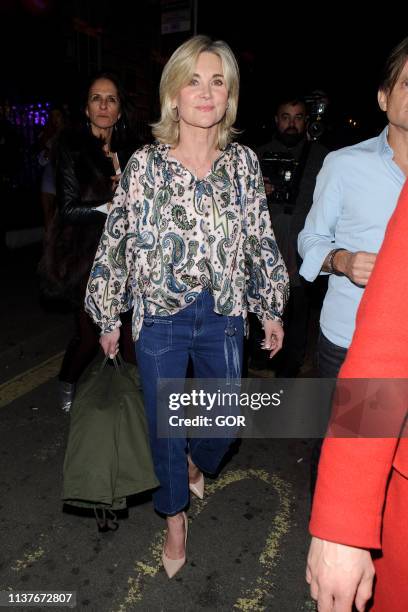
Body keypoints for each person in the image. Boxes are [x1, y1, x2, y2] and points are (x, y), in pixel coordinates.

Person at [84, 35, 289, 578]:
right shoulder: (146, 164)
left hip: (223, 311)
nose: (205, 92)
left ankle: (195, 463)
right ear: (173, 93)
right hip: (160, 316)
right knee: (165, 428)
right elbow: (118, 240)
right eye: (193, 80)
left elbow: (259, 237)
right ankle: (174, 518)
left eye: (217, 81)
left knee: (222, 423)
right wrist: (109, 315)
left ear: (229, 96)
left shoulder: (243, 163)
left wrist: (269, 306)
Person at [298, 36, 408, 493]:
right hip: (353, 341)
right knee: (349, 455)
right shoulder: (345, 165)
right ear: (384, 98)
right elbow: (309, 241)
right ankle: (331, 547)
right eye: (407, 84)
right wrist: (342, 261)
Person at [306, 178, 408, 612]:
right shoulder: (347, 163)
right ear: (383, 102)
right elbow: (386, 351)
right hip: (343, 340)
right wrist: (342, 521)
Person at [40, 71, 138, 411]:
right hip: (84, 255)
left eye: (111, 99)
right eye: (97, 98)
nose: (103, 105)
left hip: (124, 257)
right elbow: (66, 208)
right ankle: (67, 381)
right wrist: (110, 205)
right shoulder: (71, 148)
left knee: (129, 337)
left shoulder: (131, 151)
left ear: (119, 110)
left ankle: (131, 409)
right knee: (87, 337)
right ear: (86, 108)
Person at [249, 96, 328, 376]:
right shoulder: (256, 156)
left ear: (306, 121)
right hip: (267, 244)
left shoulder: (321, 157)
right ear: (276, 120)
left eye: (297, 117)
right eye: (285, 116)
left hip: (303, 244)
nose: (291, 123)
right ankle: (261, 360)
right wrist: (258, 191)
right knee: (263, 303)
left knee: (298, 308)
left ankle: (290, 368)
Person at [37, 107, 66, 233]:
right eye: (53, 116)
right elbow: (41, 160)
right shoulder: (47, 133)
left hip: (64, 178)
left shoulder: (68, 133)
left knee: (60, 215)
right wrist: (48, 152)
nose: (55, 119)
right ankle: (48, 247)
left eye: (57, 115)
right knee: (48, 216)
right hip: (48, 177)